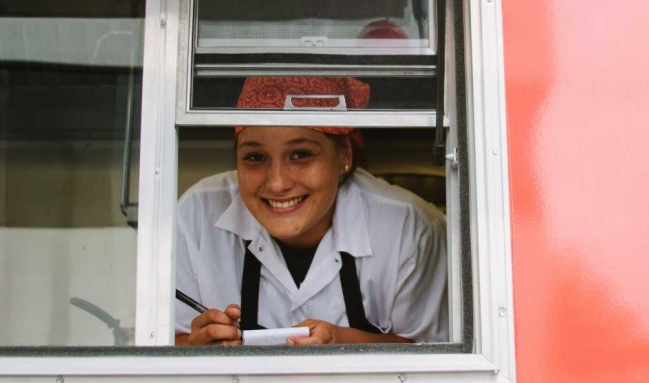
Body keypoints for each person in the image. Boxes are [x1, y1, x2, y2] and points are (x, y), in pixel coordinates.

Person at [175, 77, 448, 346]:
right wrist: (197, 350)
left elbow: (438, 362)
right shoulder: (198, 212)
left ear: (345, 155)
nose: (277, 183)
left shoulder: (410, 227)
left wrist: (342, 343)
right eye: (255, 157)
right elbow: (166, 342)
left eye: (301, 154)